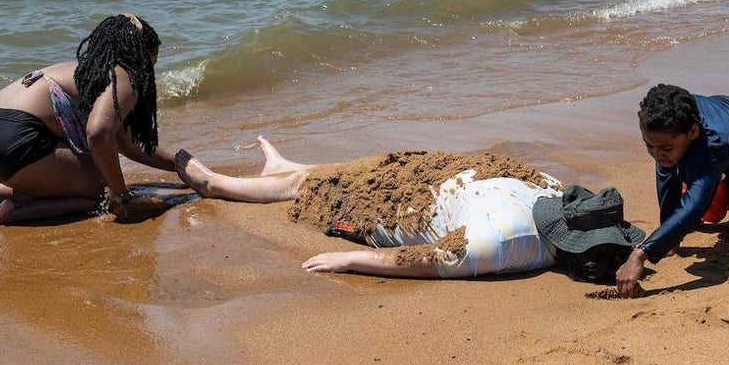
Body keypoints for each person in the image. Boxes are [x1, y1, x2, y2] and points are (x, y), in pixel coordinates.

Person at [176, 141, 645, 283]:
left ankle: (220, 185)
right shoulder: (535, 218)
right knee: (347, 173)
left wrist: (349, 257)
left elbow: (426, 258)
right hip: (432, 184)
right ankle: (276, 171)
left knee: (320, 189)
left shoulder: (534, 214)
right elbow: (431, 257)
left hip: (424, 195)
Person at [0, 13, 180, 227]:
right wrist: (121, 194)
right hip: (16, 139)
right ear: (137, 56)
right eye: (151, 63)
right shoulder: (124, 74)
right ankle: (16, 211)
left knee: (72, 179)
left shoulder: (83, 71)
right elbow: (98, 135)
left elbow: (126, 142)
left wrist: (179, 166)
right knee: (98, 191)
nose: (150, 72)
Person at [615, 83, 729, 297]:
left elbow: (694, 206)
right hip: (711, 157)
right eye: (649, 146)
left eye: (665, 148)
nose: (656, 155)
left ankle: (727, 186)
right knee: (702, 215)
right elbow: (667, 181)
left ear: (693, 131)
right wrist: (669, 240)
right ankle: (719, 184)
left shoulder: (712, 142)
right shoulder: (668, 123)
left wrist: (640, 255)